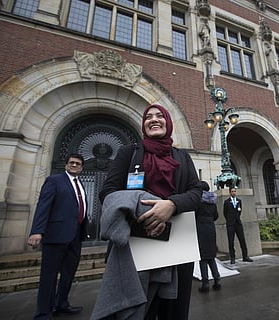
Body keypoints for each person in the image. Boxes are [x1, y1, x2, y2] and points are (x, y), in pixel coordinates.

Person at [96, 104, 202, 320]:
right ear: (143, 125)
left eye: (160, 116)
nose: (154, 120)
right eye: (148, 117)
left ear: (168, 122)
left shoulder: (182, 157)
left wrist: (171, 205)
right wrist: (150, 208)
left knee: (174, 310)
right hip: (135, 243)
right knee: (138, 310)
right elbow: (107, 192)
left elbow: (196, 192)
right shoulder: (129, 153)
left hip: (177, 244)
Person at [27, 153, 88, 320]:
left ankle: (61, 304)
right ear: (66, 165)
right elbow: (43, 206)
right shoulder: (54, 180)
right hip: (55, 236)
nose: (75, 166)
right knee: (49, 276)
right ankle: (43, 313)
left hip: (75, 236)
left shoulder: (80, 183)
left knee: (69, 273)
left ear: (82, 167)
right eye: (72, 163)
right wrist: (37, 231)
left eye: (78, 164)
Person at [195, 181, 221, 292]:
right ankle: (217, 279)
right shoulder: (212, 202)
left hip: (201, 228)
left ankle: (205, 283)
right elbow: (216, 216)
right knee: (211, 256)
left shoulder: (198, 201)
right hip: (211, 228)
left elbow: (194, 214)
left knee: (203, 258)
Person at [223, 187, 253, 264]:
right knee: (231, 241)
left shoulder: (239, 201)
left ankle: (245, 256)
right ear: (230, 192)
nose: (233, 193)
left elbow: (240, 211)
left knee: (242, 240)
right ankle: (232, 258)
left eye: (234, 191)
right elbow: (225, 213)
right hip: (230, 224)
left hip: (238, 223)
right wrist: (229, 220)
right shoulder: (226, 202)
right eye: (232, 191)